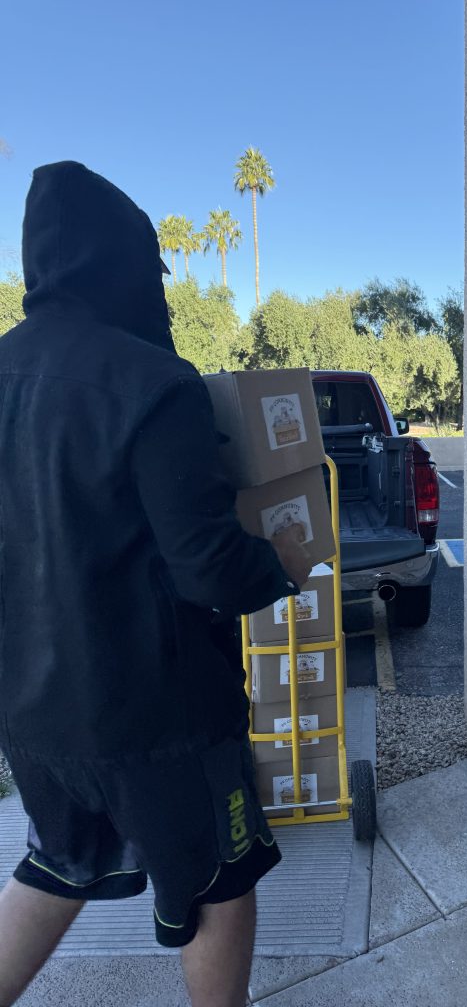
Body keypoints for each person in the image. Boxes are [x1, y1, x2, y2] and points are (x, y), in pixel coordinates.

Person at [0, 161, 312, 1007]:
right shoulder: (154, 383)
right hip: (159, 716)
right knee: (220, 881)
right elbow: (208, 568)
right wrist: (281, 566)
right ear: (124, 262)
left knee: (57, 866)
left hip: (31, 715)